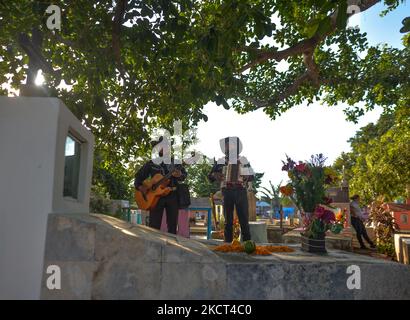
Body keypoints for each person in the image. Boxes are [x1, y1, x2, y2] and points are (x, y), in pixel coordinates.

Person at [134, 136, 187, 234]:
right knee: (154, 227)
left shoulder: (176, 162)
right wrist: (142, 187)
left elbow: (184, 175)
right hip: (155, 198)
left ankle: (172, 247)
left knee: (172, 227)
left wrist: (179, 175)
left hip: (172, 195)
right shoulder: (151, 163)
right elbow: (138, 177)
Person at [208, 136, 254, 242]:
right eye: (228, 144)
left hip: (241, 191)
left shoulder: (243, 160)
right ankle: (227, 245)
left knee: (244, 220)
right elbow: (210, 176)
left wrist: (247, 176)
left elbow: (252, 176)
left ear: (237, 146)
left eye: (232, 144)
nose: (230, 146)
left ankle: (247, 244)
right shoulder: (221, 161)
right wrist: (215, 175)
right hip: (227, 192)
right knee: (228, 221)